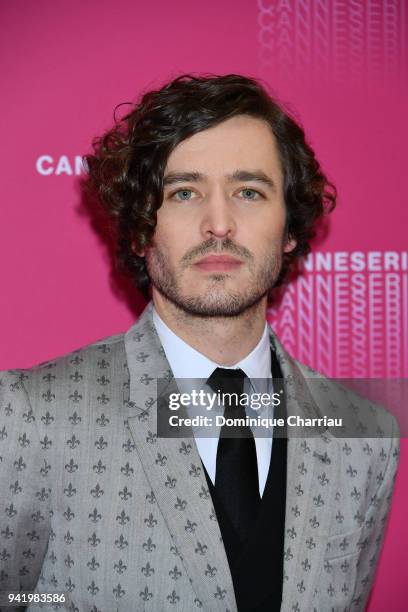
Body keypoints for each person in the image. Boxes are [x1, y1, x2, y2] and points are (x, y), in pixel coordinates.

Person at [0, 74, 399, 612]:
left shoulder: (365, 436)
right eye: (184, 192)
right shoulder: (32, 415)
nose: (219, 224)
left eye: (249, 192)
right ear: (141, 230)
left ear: (289, 230)